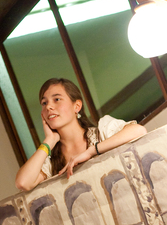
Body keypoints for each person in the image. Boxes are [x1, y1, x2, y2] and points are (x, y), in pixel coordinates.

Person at [15, 78, 147, 191]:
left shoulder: (102, 131)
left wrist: (91, 151)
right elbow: (23, 183)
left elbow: (139, 130)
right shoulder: (51, 162)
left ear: (77, 106)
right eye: (44, 103)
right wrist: (49, 141)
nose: (48, 106)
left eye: (57, 99)